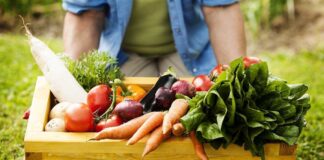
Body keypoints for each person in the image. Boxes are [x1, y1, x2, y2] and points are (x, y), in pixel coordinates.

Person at [62, 0, 246, 77]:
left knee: (201, 115)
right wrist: (73, 85)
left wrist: (237, 81)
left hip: (189, 52)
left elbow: (220, 9)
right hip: (124, 53)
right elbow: (87, 14)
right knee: (125, 116)